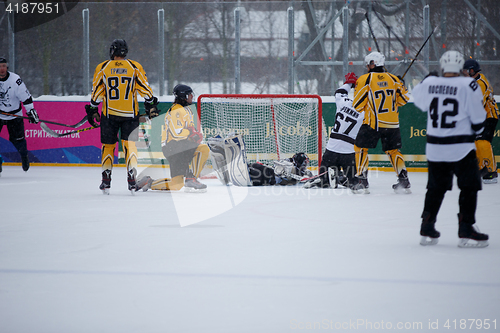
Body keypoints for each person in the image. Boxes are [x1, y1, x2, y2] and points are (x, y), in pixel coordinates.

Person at [413, 50, 488, 248]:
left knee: (435, 188)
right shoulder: (468, 84)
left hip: (436, 147)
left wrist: (427, 80)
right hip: (461, 146)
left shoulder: (431, 84)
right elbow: (479, 119)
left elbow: (417, 100)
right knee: (469, 187)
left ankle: (427, 225)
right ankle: (466, 226)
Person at [85, 39, 160, 194]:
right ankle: (132, 177)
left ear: (112, 52)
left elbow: (97, 92)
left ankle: (106, 179)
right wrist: (151, 104)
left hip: (109, 115)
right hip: (130, 115)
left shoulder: (103, 67)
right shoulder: (134, 66)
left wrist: (93, 109)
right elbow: (144, 89)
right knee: (130, 146)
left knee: (108, 146)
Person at [352, 51, 411, 193]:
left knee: (360, 148)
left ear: (373, 64)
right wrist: (400, 85)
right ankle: (404, 180)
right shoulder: (393, 79)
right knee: (393, 151)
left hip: (373, 123)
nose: (367, 67)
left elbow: (357, 105)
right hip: (392, 124)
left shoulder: (365, 79)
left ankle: (362, 181)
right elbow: (403, 100)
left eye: (368, 64)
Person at [136, 84, 209, 193]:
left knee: (176, 185)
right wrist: (191, 133)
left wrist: (194, 134)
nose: (192, 97)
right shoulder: (177, 111)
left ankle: (148, 182)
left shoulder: (187, 110)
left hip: (178, 147)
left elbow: (188, 130)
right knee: (203, 149)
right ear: (183, 96)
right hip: (174, 147)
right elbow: (177, 133)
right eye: (189, 94)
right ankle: (191, 178)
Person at [304, 72, 363, 190]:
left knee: (324, 181)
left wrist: (349, 83)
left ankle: (331, 178)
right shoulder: (365, 111)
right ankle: (347, 179)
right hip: (348, 152)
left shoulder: (343, 102)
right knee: (356, 183)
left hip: (332, 149)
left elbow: (339, 92)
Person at [462, 59, 499, 183]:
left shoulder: (480, 83)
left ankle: (491, 171)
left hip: (489, 115)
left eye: (467, 70)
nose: (465, 73)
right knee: (476, 142)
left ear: (473, 71)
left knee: (483, 141)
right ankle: (480, 167)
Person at [0, 57, 39, 173]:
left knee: (18, 140)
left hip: (14, 115)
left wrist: (30, 111)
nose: (1, 69)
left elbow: (25, 97)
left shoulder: (15, 80)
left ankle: (24, 156)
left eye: (3, 66)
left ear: (7, 67)